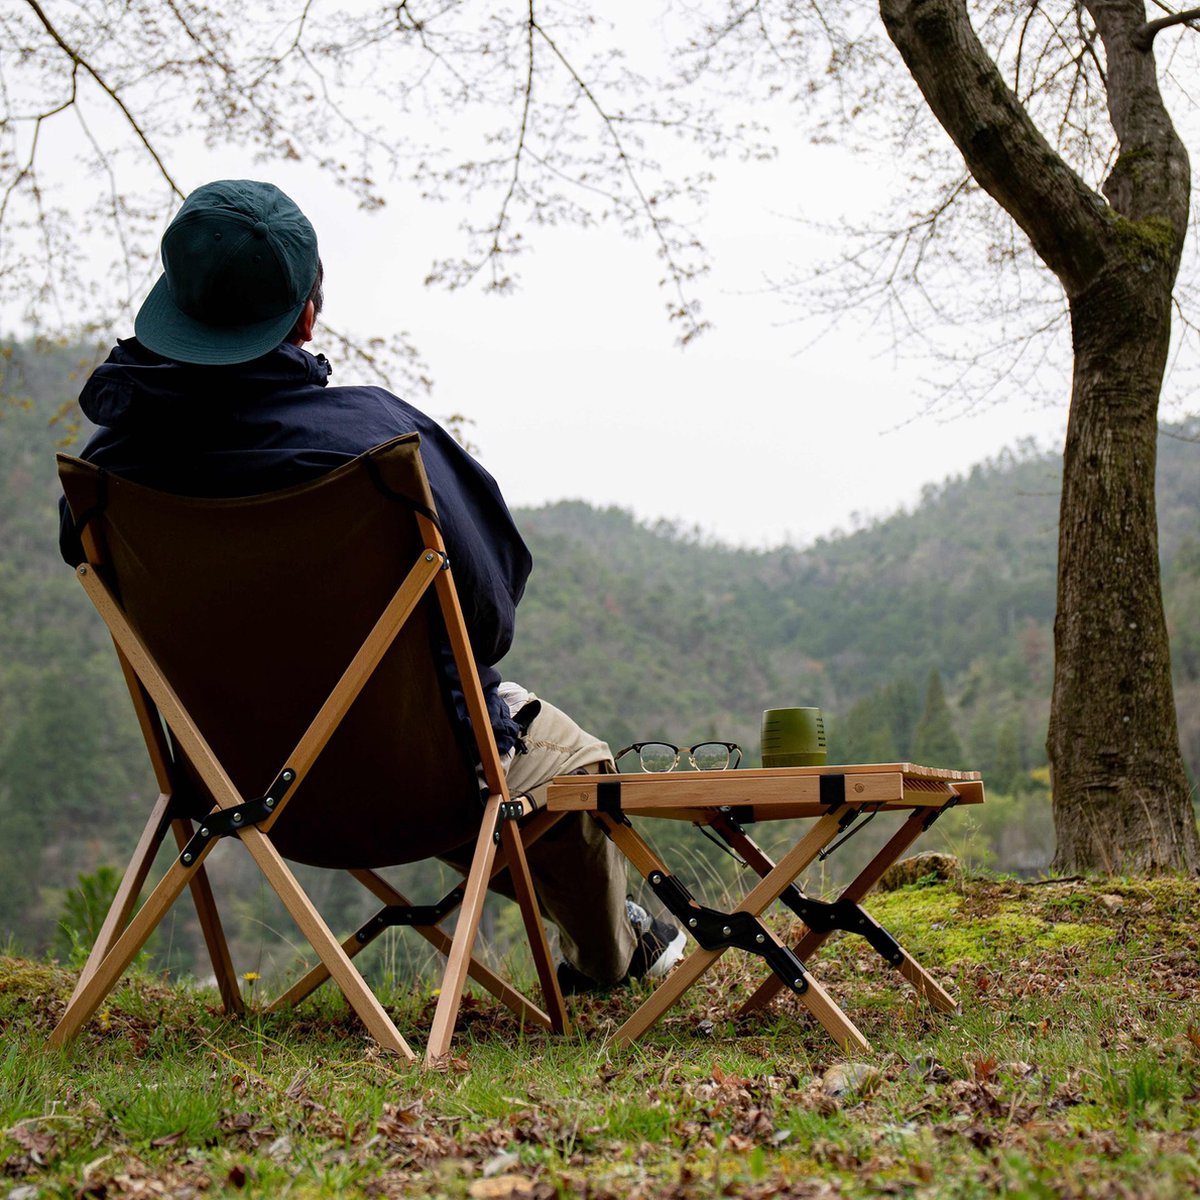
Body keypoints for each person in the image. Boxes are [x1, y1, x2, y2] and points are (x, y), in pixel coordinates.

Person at [58, 178, 685, 994]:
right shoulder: (377, 443)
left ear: (171, 306)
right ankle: (611, 963)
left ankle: (610, 944)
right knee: (568, 768)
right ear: (307, 315)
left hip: (231, 788)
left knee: (456, 747)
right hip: (416, 782)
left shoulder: (103, 476)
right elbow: (489, 622)